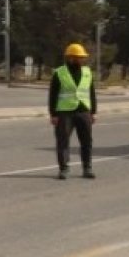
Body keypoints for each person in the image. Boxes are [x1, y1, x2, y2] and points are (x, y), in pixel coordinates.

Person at [48, 42, 98, 180]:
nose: (80, 59)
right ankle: (64, 169)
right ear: (70, 57)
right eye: (77, 57)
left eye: (82, 57)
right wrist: (53, 114)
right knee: (63, 141)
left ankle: (87, 168)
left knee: (86, 141)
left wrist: (93, 112)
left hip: (84, 111)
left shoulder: (87, 72)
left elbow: (92, 93)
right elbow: (53, 94)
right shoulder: (59, 72)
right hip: (64, 112)